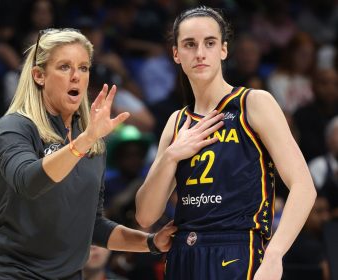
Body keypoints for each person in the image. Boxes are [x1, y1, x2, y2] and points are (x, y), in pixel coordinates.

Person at [0, 28, 192, 280]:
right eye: (64, 67)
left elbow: (91, 225)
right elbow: (29, 182)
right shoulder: (15, 127)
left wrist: (151, 242)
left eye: (83, 68)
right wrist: (85, 140)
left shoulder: (91, 141)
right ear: (39, 76)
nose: (76, 76)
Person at [135, 6, 317, 280]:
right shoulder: (177, 122)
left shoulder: (253, 103)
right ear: (176, 54)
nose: (199, 53)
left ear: (223, 50)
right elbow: (146, 216)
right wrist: (171, 155)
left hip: (237, 249)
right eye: (189, 44)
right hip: (182, 253)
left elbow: (304, 186)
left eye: (209, 43)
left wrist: (275, 256)